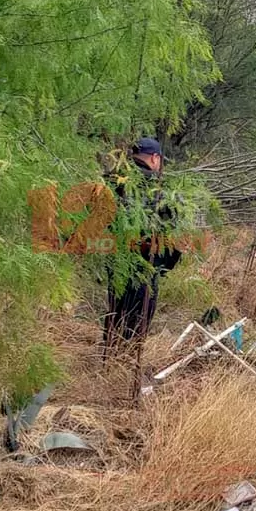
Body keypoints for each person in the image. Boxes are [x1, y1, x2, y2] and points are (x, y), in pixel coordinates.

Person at [102, 137, 183, 355]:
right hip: (145, 264)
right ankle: (127, 363)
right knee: (138, 317)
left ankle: (109, 358)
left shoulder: (110, 182)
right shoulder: (159, 192)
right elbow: (174, 234)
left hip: (116, 260)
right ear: (155, 158)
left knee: (115, 310)